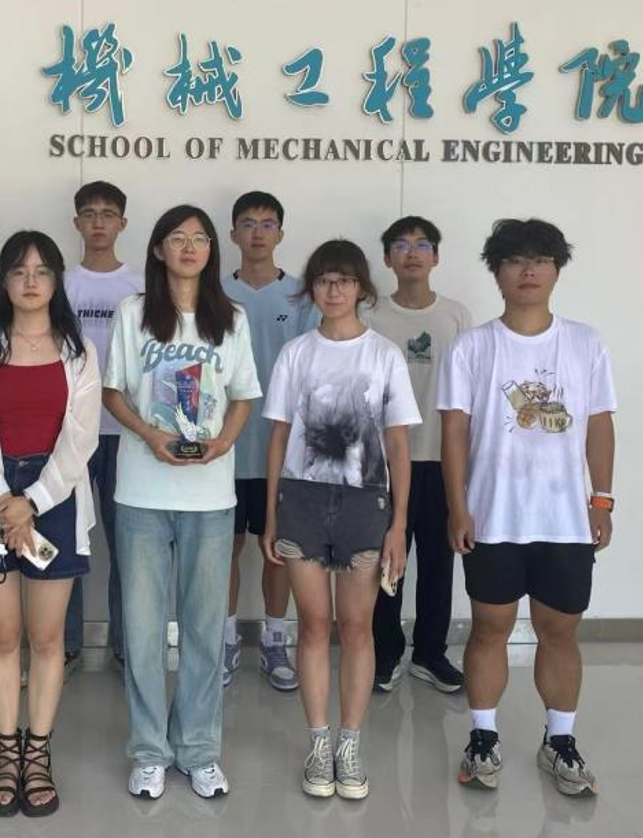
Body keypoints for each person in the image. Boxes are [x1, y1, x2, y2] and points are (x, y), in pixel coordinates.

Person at [441, 219, 616, 799]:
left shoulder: (586, 343)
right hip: (493, 515)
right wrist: (458, 507)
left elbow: (599, 425)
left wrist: (602, 499)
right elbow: (454, 432)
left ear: (557, 269)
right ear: (497, 272)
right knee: (490, 628)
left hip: (565, 519)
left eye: (541, 260)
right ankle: (483, 737)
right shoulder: (472, 346)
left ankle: (559, 740)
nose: (529, 271)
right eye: (515, 261)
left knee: (559, 631)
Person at [102, 205, 260, 801]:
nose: (189, 247)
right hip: (142, 493)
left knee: (202, 628)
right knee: (143, 631)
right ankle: (149, 750)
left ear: (212, 250)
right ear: (158, 249)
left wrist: (223, 443)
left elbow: (243, 395)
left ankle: (198, 749)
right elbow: (113, 392)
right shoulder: (134, 312)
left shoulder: (232, 317)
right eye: (177, 238)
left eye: (199, 238)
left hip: (210, 495)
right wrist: (149, 435)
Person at [0, 231, 100, 817]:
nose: (30, 281)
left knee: (46, 638)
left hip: (53, 497)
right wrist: (2, 499)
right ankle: (6, 754)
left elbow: (80, 439)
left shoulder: (79, 352)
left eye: (41, 271)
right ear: (4, 281)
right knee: (3, 636)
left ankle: (38, 754)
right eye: (19, 271)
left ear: (57, 281)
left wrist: (31, 502)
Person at [261, 239, 419, 801]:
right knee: (313, 625)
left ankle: (350, 744)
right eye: (324, 281)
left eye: (345, 281)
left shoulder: (384, 355)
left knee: (356, 627)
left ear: (361, 289)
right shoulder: (296, 353)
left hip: (364, 505)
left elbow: (397, 445)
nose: (334, 291)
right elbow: (279, 435)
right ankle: (318, 742)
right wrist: (272, 513)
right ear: (312, 289)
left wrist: (398, 524)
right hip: (302, 502)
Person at [365, 215, 473, 694]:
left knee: (437, 562)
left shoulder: (455, 316)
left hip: (442, 457)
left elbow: (469, 391)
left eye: (423, 244)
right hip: (386, 460)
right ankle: (385, 653)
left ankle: (430, 653)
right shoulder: (371, 315)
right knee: (386, 562)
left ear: (437, 257)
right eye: (401, 245)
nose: (412, 253)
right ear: (387, 258)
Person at [220, 191, 317, 691]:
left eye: (267, 223)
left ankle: (275, 641)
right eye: (247, 223)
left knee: (279, 548)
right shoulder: (213, 291)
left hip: (284, 449)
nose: (257, 232)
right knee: (226, 547)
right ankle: (225, 639)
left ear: (281, 233)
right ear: (232, 233)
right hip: (224, 448)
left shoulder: (303, 296)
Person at [64, 181, 143, 670]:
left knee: (127, 545)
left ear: (122, 224)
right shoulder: (60, 283)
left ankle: (126, 644)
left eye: (108, 214)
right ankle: (65, 642)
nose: (98, 222)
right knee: (67, 539)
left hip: (126, 431)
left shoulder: (140, 286)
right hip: (70, 433)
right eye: (90, 214)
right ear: (77, 223)